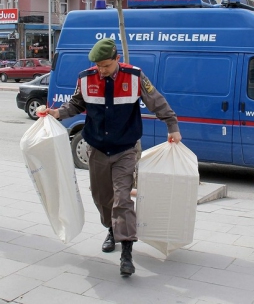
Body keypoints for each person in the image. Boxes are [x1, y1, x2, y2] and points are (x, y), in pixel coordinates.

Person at [46, 38, 182, 277]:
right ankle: (111, 229)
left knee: (122, 198)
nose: (101, 70)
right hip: (97, 148)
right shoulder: (85, 78)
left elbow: (157, 102)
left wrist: (172, 126)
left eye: (106, 65)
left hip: (125, 149)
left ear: (117, 59)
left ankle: (127, 251)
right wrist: (57, 113)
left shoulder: (135, 77)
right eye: (98, 65)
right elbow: (76, 104)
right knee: (102, 198)